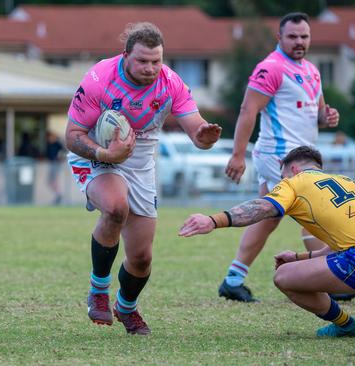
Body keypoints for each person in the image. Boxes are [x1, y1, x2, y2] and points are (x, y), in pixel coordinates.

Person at [66, 22, 221, 335]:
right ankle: (98, 289)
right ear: (126, 56)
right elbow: (72, 136)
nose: (151, 68)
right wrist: (106, 154)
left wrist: (205, 136)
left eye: (156, 61)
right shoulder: (100, 79)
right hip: (97, 153)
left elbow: (196, 129)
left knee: (141, 258)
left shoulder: (171, 82)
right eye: (142, 61)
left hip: (142, 160)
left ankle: (126, 308)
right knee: (115, 207)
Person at [180, 146, 355, 337]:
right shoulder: (345, 180)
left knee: (284, 277)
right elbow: (348, 238)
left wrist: (214, 220)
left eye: (282, 177)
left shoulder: (294, 183)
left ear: (292, 169)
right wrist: (299, 257)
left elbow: (261, 207)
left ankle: (346, 325)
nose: (280, 182)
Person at [222, 12, 339, 302]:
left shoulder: (312, 70)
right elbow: (248, 110)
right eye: (292, 36)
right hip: (280, 158)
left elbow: (317, 113)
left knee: (267, 217)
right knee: (315, 212)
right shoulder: (271, 68)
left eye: (304, 36)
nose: (299, 42)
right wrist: (238, 155)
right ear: (279, 37)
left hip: (303, 158)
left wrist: (327, 116)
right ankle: (328, 280)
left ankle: (233, 279)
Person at [45, 130, 64, 205]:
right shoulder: (49, 144)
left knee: (54, 181)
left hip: (56, 164)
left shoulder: (57, 144)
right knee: (49, 182)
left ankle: (59, 194)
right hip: (51, 164)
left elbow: (64, 151)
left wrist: (60, 157)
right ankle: (58, 194)